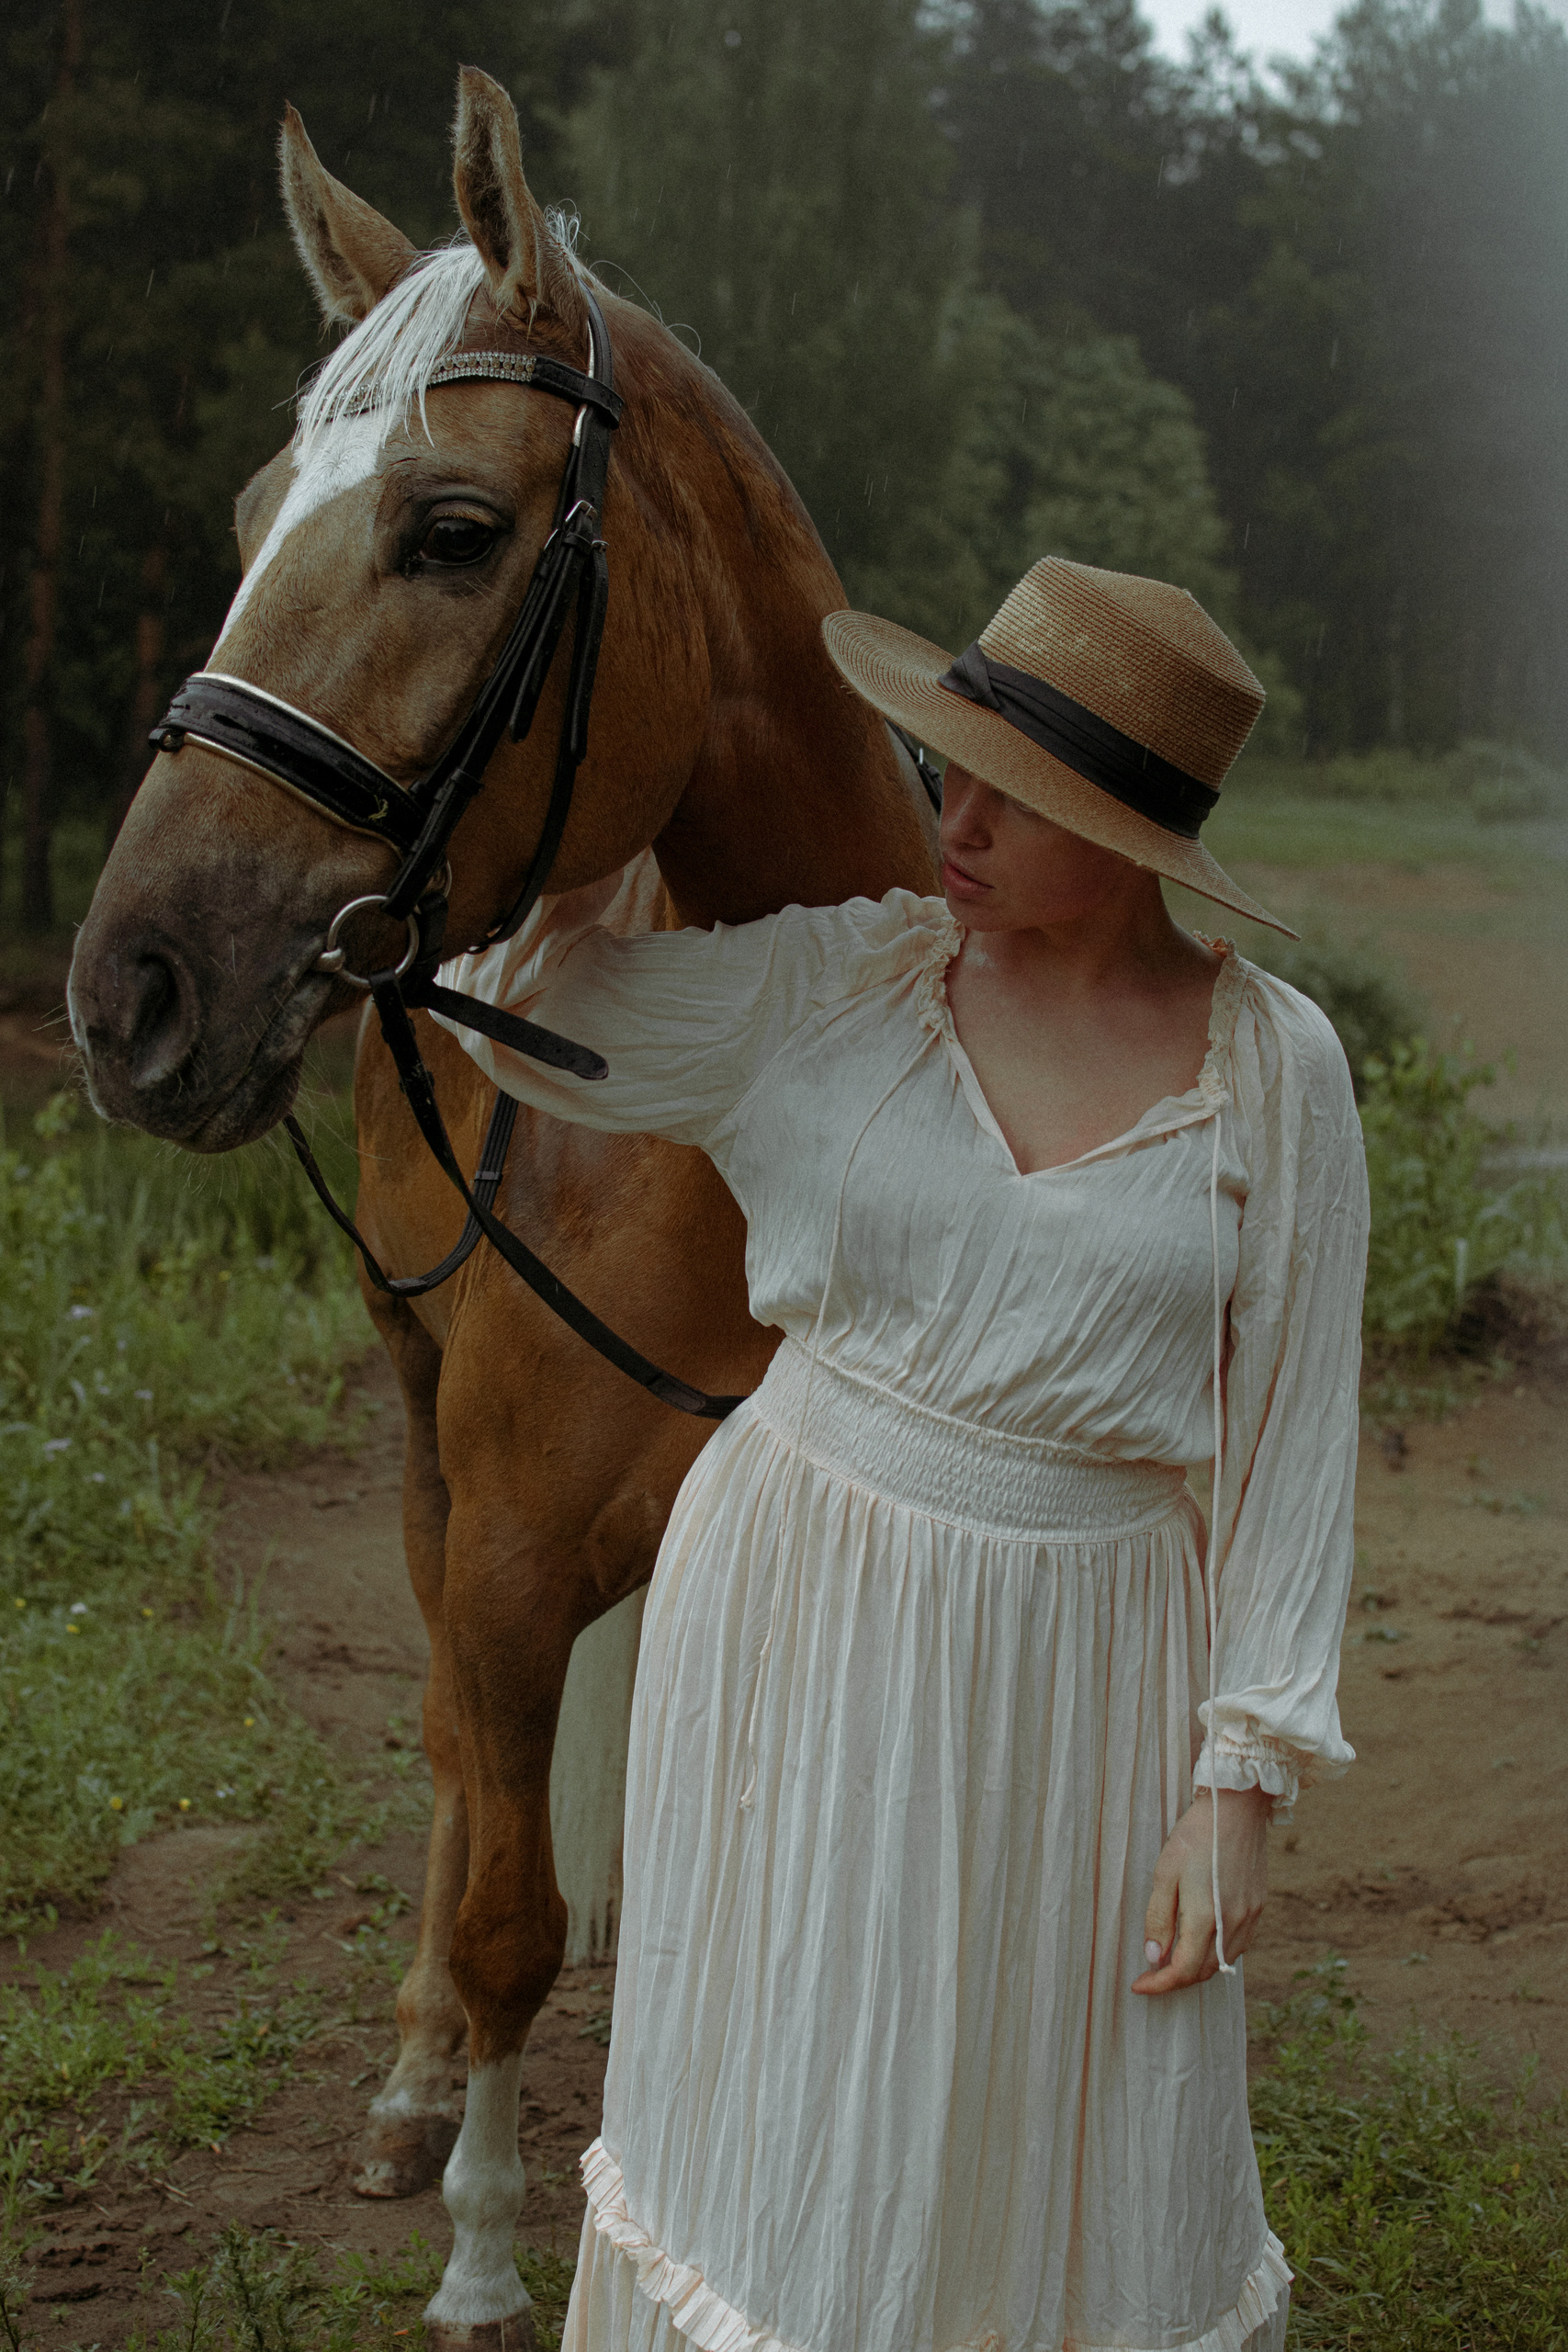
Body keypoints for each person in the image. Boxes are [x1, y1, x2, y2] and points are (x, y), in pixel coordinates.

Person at [434, 556, 1370, 2352]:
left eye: (1022, 799)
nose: (959, 822)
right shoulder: (841, 982)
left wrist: (1235, 1783)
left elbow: (1290, 1447)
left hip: (1090, 1668)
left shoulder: (1274, 1069)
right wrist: (575, 829)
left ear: (1134, 842)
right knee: (799, 2092)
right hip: (793, 1613)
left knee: (1069, 2112)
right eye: (952, 769)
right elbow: (516, 1008)